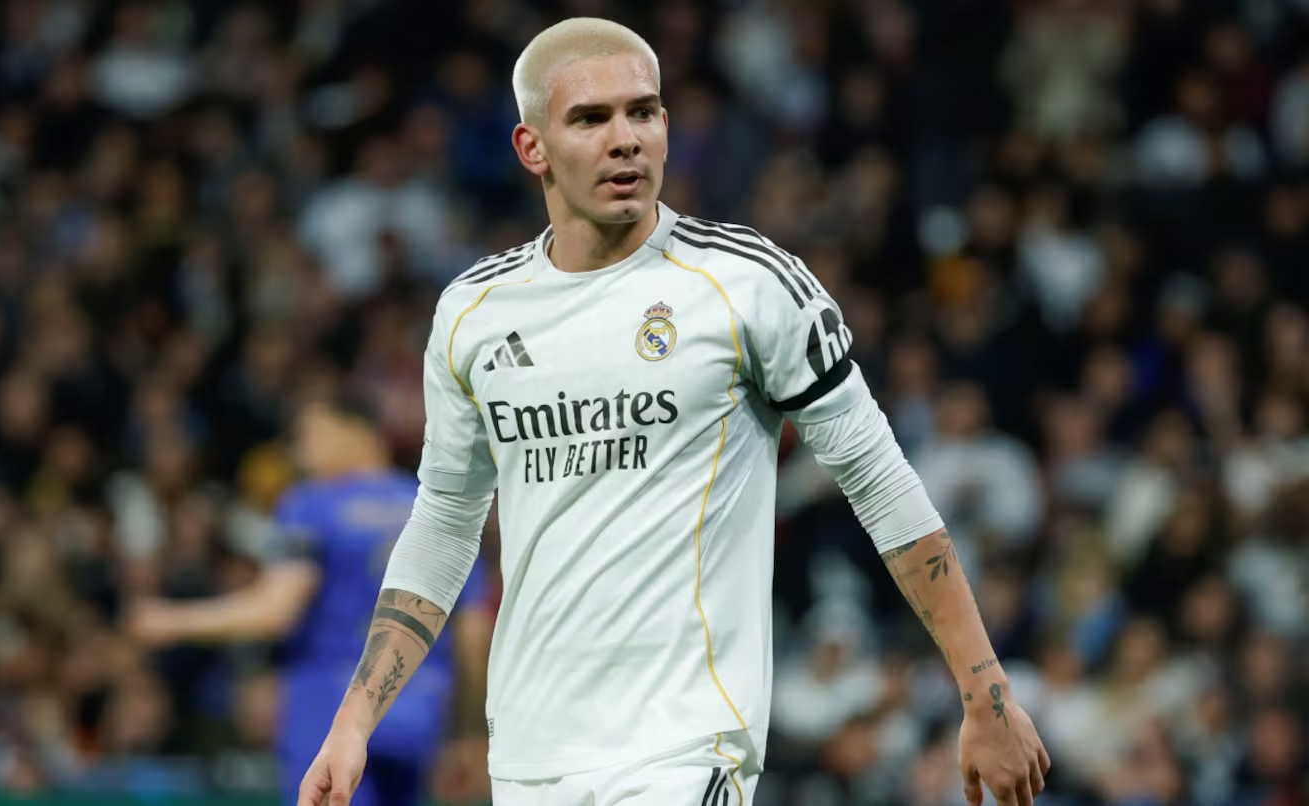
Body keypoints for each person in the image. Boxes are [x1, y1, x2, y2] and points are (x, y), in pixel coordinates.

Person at [298, 17, 1051, 806]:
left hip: (686, 744)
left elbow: (883, 484)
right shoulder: (474, 314)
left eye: (643, 112)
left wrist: (984, 691)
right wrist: (353, 722)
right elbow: (444, 525)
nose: (625, 139)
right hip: (529, 754)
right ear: (531, 148)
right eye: (590, 118)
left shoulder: (749, 285)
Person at [127, 395, 492, 806]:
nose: (301, 451)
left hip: (329, 707)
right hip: (422, 708)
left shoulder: (313, 504)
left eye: (312, 434)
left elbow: (275, 611)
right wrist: (471, 731)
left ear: (356, 431)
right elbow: (473, 632)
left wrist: (169, 620)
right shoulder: (435, 510)